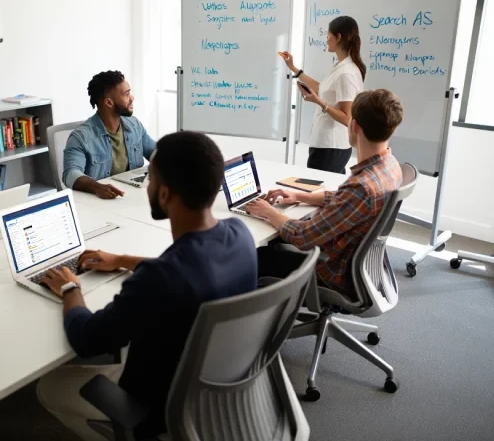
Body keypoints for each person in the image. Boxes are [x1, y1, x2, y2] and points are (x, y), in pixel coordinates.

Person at [37, 131, 257, 440]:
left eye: (150, 179)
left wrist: (70, 288)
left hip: (160, 404)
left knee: (48, 387)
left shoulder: (160, 279)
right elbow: (185, 271)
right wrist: (123, 259)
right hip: (217, 383)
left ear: (165, 194)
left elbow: (86, 341)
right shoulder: (240, 234)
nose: (149, 186)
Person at [245, 89, 403, 297]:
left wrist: (269, 212)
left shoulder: (361, 186)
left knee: (252, 257)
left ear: (353, 125)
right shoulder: (389, 167)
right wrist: (301, 196)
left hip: (332, 274)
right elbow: (348, 203)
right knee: (278, 240)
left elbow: (304, 237)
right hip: (358, 268)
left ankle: (260, 322)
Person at [280, 15, 366, 174]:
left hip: (330, 147)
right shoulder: (341, 66)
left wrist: (319, 103)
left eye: (328, 36)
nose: (326, 40)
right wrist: (294, 68)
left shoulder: (346, 73)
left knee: (317, 192)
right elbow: (321, 88)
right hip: (328, 146)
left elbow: (347, 118)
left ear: (338, 37)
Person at [62, 70, 156, 199]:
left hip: (130, 197)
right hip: (97, 202)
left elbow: (154, 152)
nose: (132, 98)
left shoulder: (134, 125)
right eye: (126, 94)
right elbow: (70, 174)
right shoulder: (80, 138)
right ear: (109, 103)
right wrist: (96, 187)